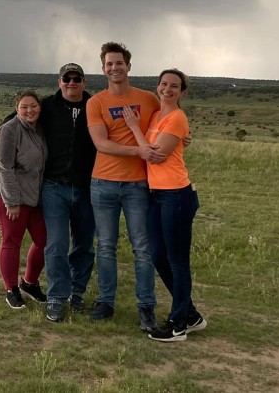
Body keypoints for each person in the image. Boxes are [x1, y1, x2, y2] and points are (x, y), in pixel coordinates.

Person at [2, 63, 97, 323]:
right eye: (67, 78)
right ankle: (56, 298)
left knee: (85, 246)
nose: (72, 82)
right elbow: (13, 122)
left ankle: (76, 293)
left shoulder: (95, 106)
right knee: (55, 244)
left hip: (86, 188)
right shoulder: (46, 106)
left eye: (77, 79)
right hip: (54, 187)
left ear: (84, 82)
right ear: (59, 82)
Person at [122, 69, 207, 342]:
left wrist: (134, 127)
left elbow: (156, 156)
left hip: (176, 195)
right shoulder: (158, 115)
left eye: (174, 86)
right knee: (159, 256)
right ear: (157, 87)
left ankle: (178, 325)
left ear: (182, 93)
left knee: (177, 261)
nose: (167, 89)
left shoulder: (177, 117)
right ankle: (191, 315)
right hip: (156, 194)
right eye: (163, 84)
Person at [86, 42, 163, 332]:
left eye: (119, 63)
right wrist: (137, 152)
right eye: (109, 64)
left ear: (129, 66)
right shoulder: (96, 102)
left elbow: (164, 125)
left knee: (142, 247)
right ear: (103, 68)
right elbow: (100, 143)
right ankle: (106, 303)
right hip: (103, 183)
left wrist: (182, 137)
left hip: (137, 186)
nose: (114, 68)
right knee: (105, 246)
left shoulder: (148, 99)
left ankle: (146, 307)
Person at [0, 90, 48, 309]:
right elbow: (5, 167)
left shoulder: (38, 129)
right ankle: (11, 289)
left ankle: (29, 283)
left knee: (44, 240)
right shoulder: (9, 130)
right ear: (17, 109)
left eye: (33, 106)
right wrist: (11, 201)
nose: (29, 110)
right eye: (24, 107)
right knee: (12, 241)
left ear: (39, 107)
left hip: (32, 197)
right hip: (7, 195)